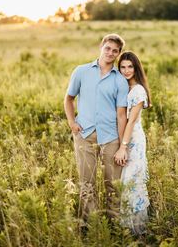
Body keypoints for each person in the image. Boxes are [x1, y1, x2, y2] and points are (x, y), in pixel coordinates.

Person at [64, 34, 129, 225]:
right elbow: (68, 98)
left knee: (114, 185)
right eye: (107, 48)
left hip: (111, 138)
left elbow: (121, 115)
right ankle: (92, 226)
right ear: (101, 46)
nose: (110, 53)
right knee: (87, 184)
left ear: (118, 54)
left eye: (115, 51)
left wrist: (122, 146)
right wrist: (71, 123)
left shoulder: (120, 80)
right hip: (84, 135)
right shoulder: (81, 71)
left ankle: (114, 225)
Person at [114, 51, 151, 235]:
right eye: (123, 67)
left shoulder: (138, 90)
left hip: (133, 140)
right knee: (125, 181)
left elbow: (131, 121)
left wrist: (123, 147)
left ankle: (137, 230)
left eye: (130, 66)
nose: (127, 70)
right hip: (124, 138)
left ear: (136, 68)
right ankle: (126, 228)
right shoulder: (123, 87)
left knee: (132, 181)